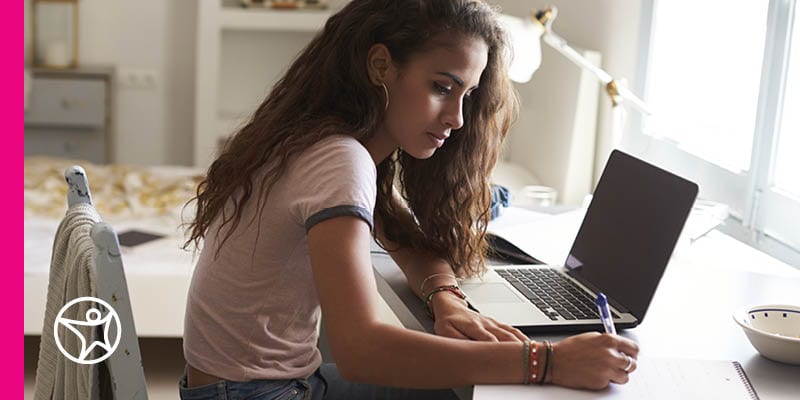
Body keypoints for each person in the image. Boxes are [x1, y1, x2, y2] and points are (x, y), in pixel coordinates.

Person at [180, 0, 640, 399]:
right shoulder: (340, 160)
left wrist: (446, 295)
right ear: (381, 66)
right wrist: (546, 361)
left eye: (468, 95)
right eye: (442, 87)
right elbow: (361, 350)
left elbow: (404, 239)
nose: (459, 119)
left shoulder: (319, 140)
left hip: (228, 387)